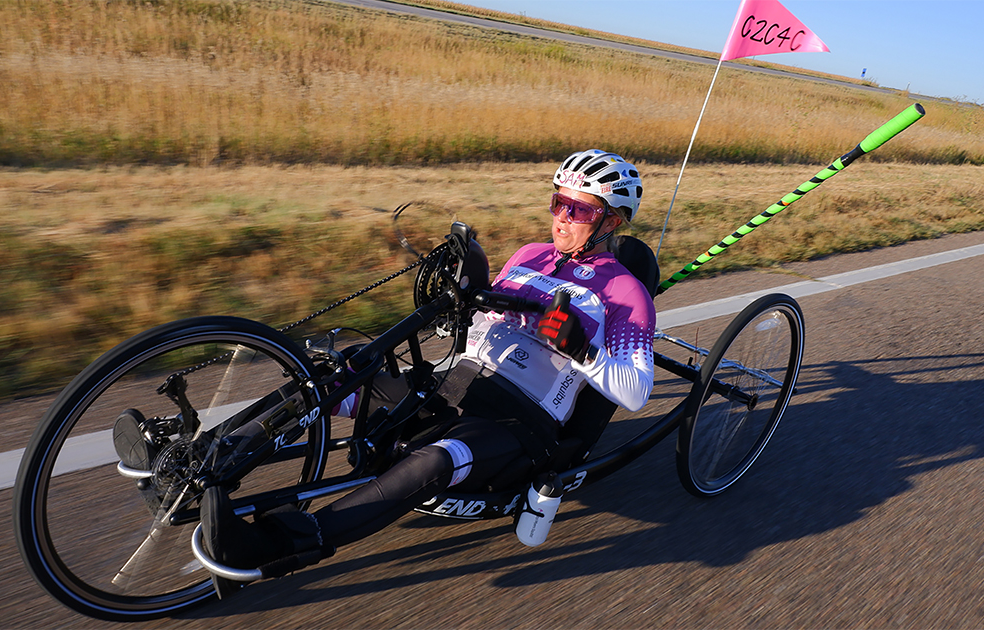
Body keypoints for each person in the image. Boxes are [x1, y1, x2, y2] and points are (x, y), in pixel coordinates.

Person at [200, 149, 657, 593]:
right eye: (558, 202)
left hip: (520, 421)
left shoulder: (625, 293)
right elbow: (481, 317)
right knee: (336, 374)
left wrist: (581, 349)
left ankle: (272, 545)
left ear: (611, 221)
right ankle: (204, 456)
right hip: (455, 385)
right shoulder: (530, 254)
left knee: (437, 461)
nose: (561, 217)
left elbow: (635, 392)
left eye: (577, 209)